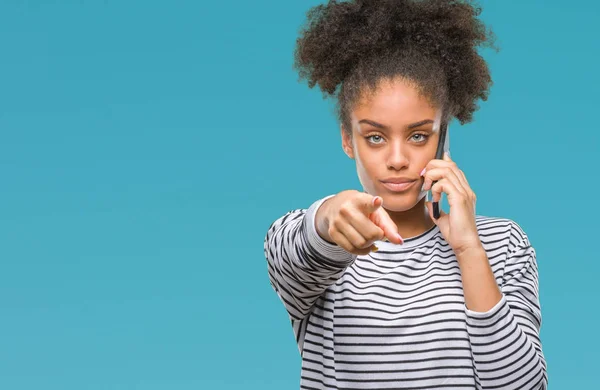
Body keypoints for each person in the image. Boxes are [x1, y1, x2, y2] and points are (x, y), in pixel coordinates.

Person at [263, 0, 547, 388]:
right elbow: (296, 247)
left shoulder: (502, 244)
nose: (397, 160)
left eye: (418, 135)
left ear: (442, 135)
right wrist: (330, 217)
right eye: (375, 137)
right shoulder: (320, 246)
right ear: (348, 140)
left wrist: (469, 251)